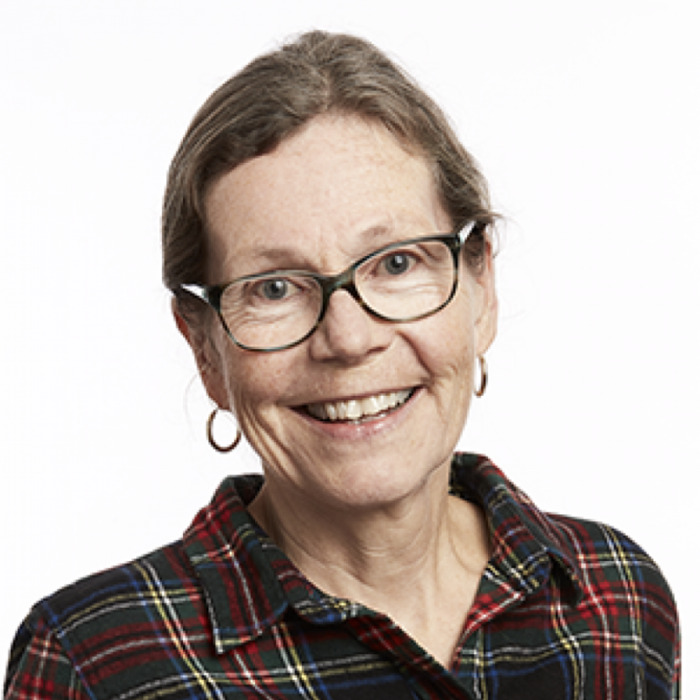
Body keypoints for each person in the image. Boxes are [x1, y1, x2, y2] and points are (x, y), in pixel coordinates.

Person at [4, 30, 680, 699]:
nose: (349, 339)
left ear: (482, 289)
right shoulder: (93, 665)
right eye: (274, 288)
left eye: (396, 263)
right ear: (204, 348)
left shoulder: (616, 598)